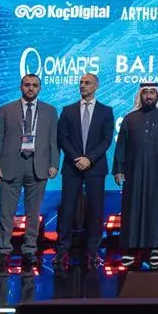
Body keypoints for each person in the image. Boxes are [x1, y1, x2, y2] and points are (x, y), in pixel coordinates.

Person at [0, 73, 59, 259]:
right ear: (21, 87)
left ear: (40, 88)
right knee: (6, 211)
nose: (30, 88)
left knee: (33, 212)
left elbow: (54, 139)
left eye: (34, 85)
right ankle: (4, 249)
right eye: (27, 84)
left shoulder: (50, 111)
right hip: (10, 164)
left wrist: (54, 164)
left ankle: (30, 249)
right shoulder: (6, 109)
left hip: (38, 164)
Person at [113, 82, 158, 267]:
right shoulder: (129, 119)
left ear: (157, 96)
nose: (149, 96)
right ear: (140, 95)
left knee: (156, 209)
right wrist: (119, 169)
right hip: (133, 172)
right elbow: (121, 146)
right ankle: (131, 248)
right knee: (132, 208)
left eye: (152, 93)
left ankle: (155, 248)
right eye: (145, 93)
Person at [56, 72, 114, 262]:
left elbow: (106, 140)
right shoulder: (68, 110)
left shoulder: (106, 111)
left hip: (95, 167)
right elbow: (62, 137)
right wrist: (77, 158)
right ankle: (62, 249)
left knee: (95, 209)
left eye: (87, 82)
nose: (83, 85)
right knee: (67, 208)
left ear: (96, 86)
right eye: (81, 82)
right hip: (72, 167)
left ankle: (93, 250)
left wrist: (89, 158)